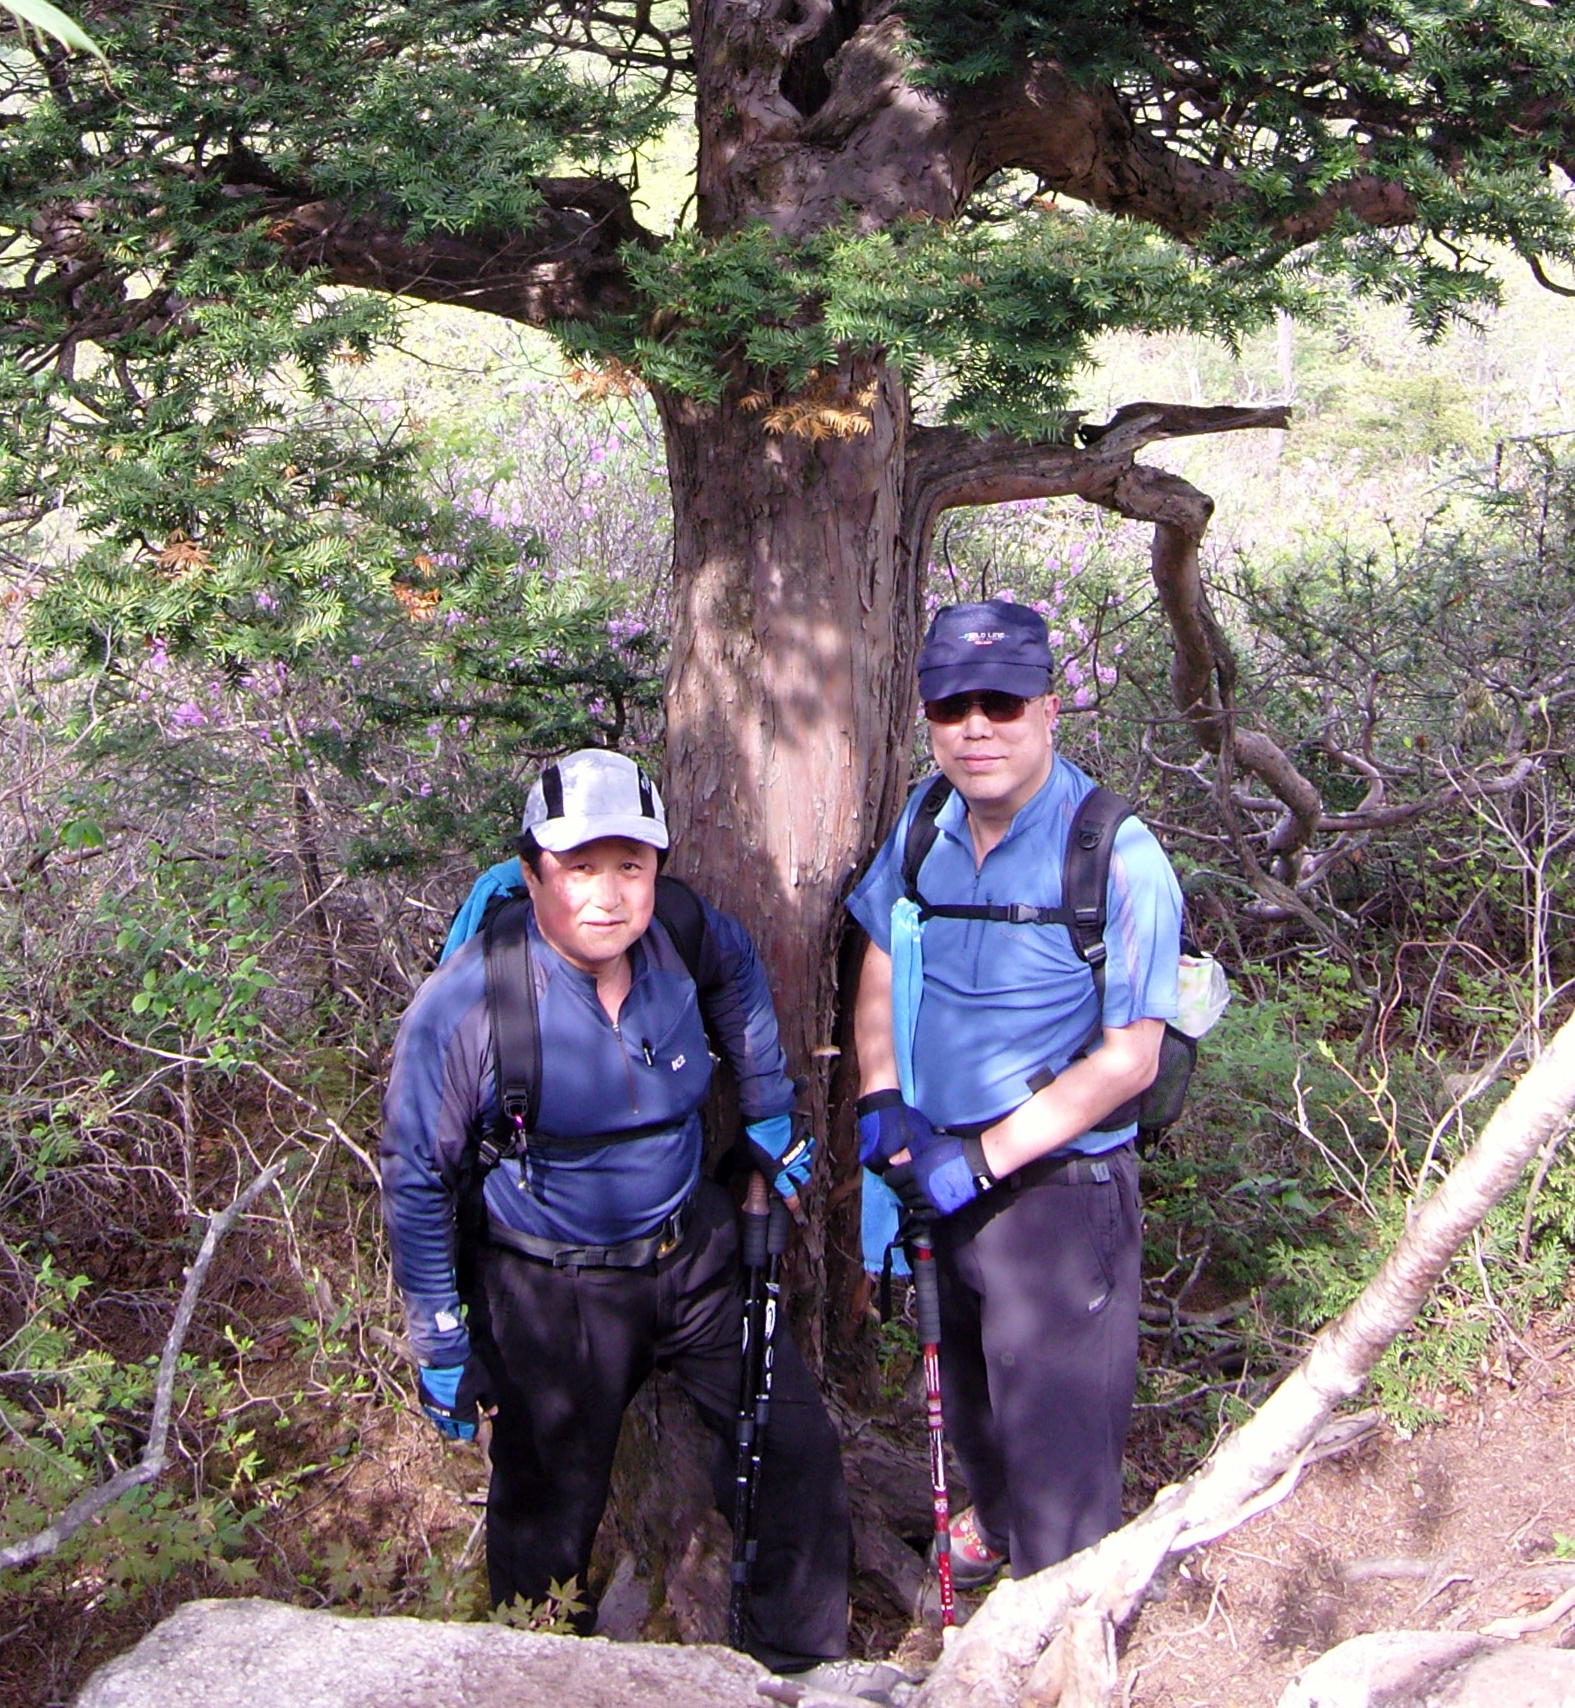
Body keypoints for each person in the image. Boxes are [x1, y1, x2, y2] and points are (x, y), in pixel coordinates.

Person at [381, 747, 850, 1668]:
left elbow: (741, 977)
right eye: (579, 868)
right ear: (532, 874)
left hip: (694, 1254)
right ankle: (543, 1674)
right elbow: (416, 1177)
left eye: (629, 866)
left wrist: (766, 1107)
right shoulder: (470, 1001)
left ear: (657, 870)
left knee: (794, 1446)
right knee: (544, 1522)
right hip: (552, 1287)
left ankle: (802, 1668)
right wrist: (441, 1338)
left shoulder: (681, 933)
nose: (607, 894)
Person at [847, 599, 1182, 1583]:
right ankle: (983, 1617)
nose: (977, 727)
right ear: (930, 717)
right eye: (954, 707)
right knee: (977, 1427)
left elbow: (1132, 1057)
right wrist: (880, 1097)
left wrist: (983, 1158)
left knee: (1061, 1469)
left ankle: (1066, 1638)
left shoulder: (1116, 856)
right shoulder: (923, 823)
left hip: (1059, 1200)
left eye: (1002, 702)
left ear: (1049, 707)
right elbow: (879, 944)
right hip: (934, 1178)